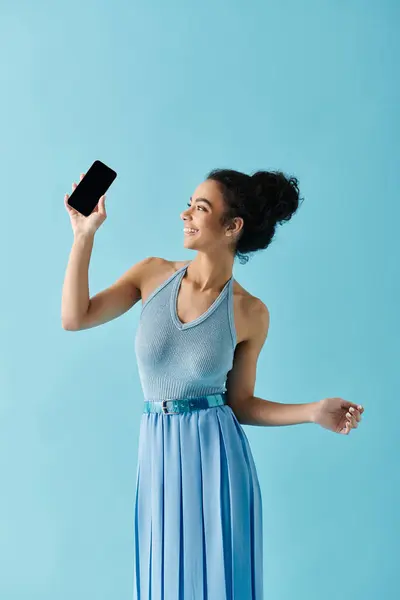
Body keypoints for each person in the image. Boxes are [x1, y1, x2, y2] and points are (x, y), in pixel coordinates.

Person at [62, 168, 364, 599]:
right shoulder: (152, 274)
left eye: (200, 208)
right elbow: (75, 317)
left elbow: (239, 403)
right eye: (190, 204)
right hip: (158, 455)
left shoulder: (250, 312)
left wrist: (312, 411)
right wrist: (83, 234)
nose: (186, 214)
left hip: (216, 461)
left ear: (232, 227)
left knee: (220, 583)